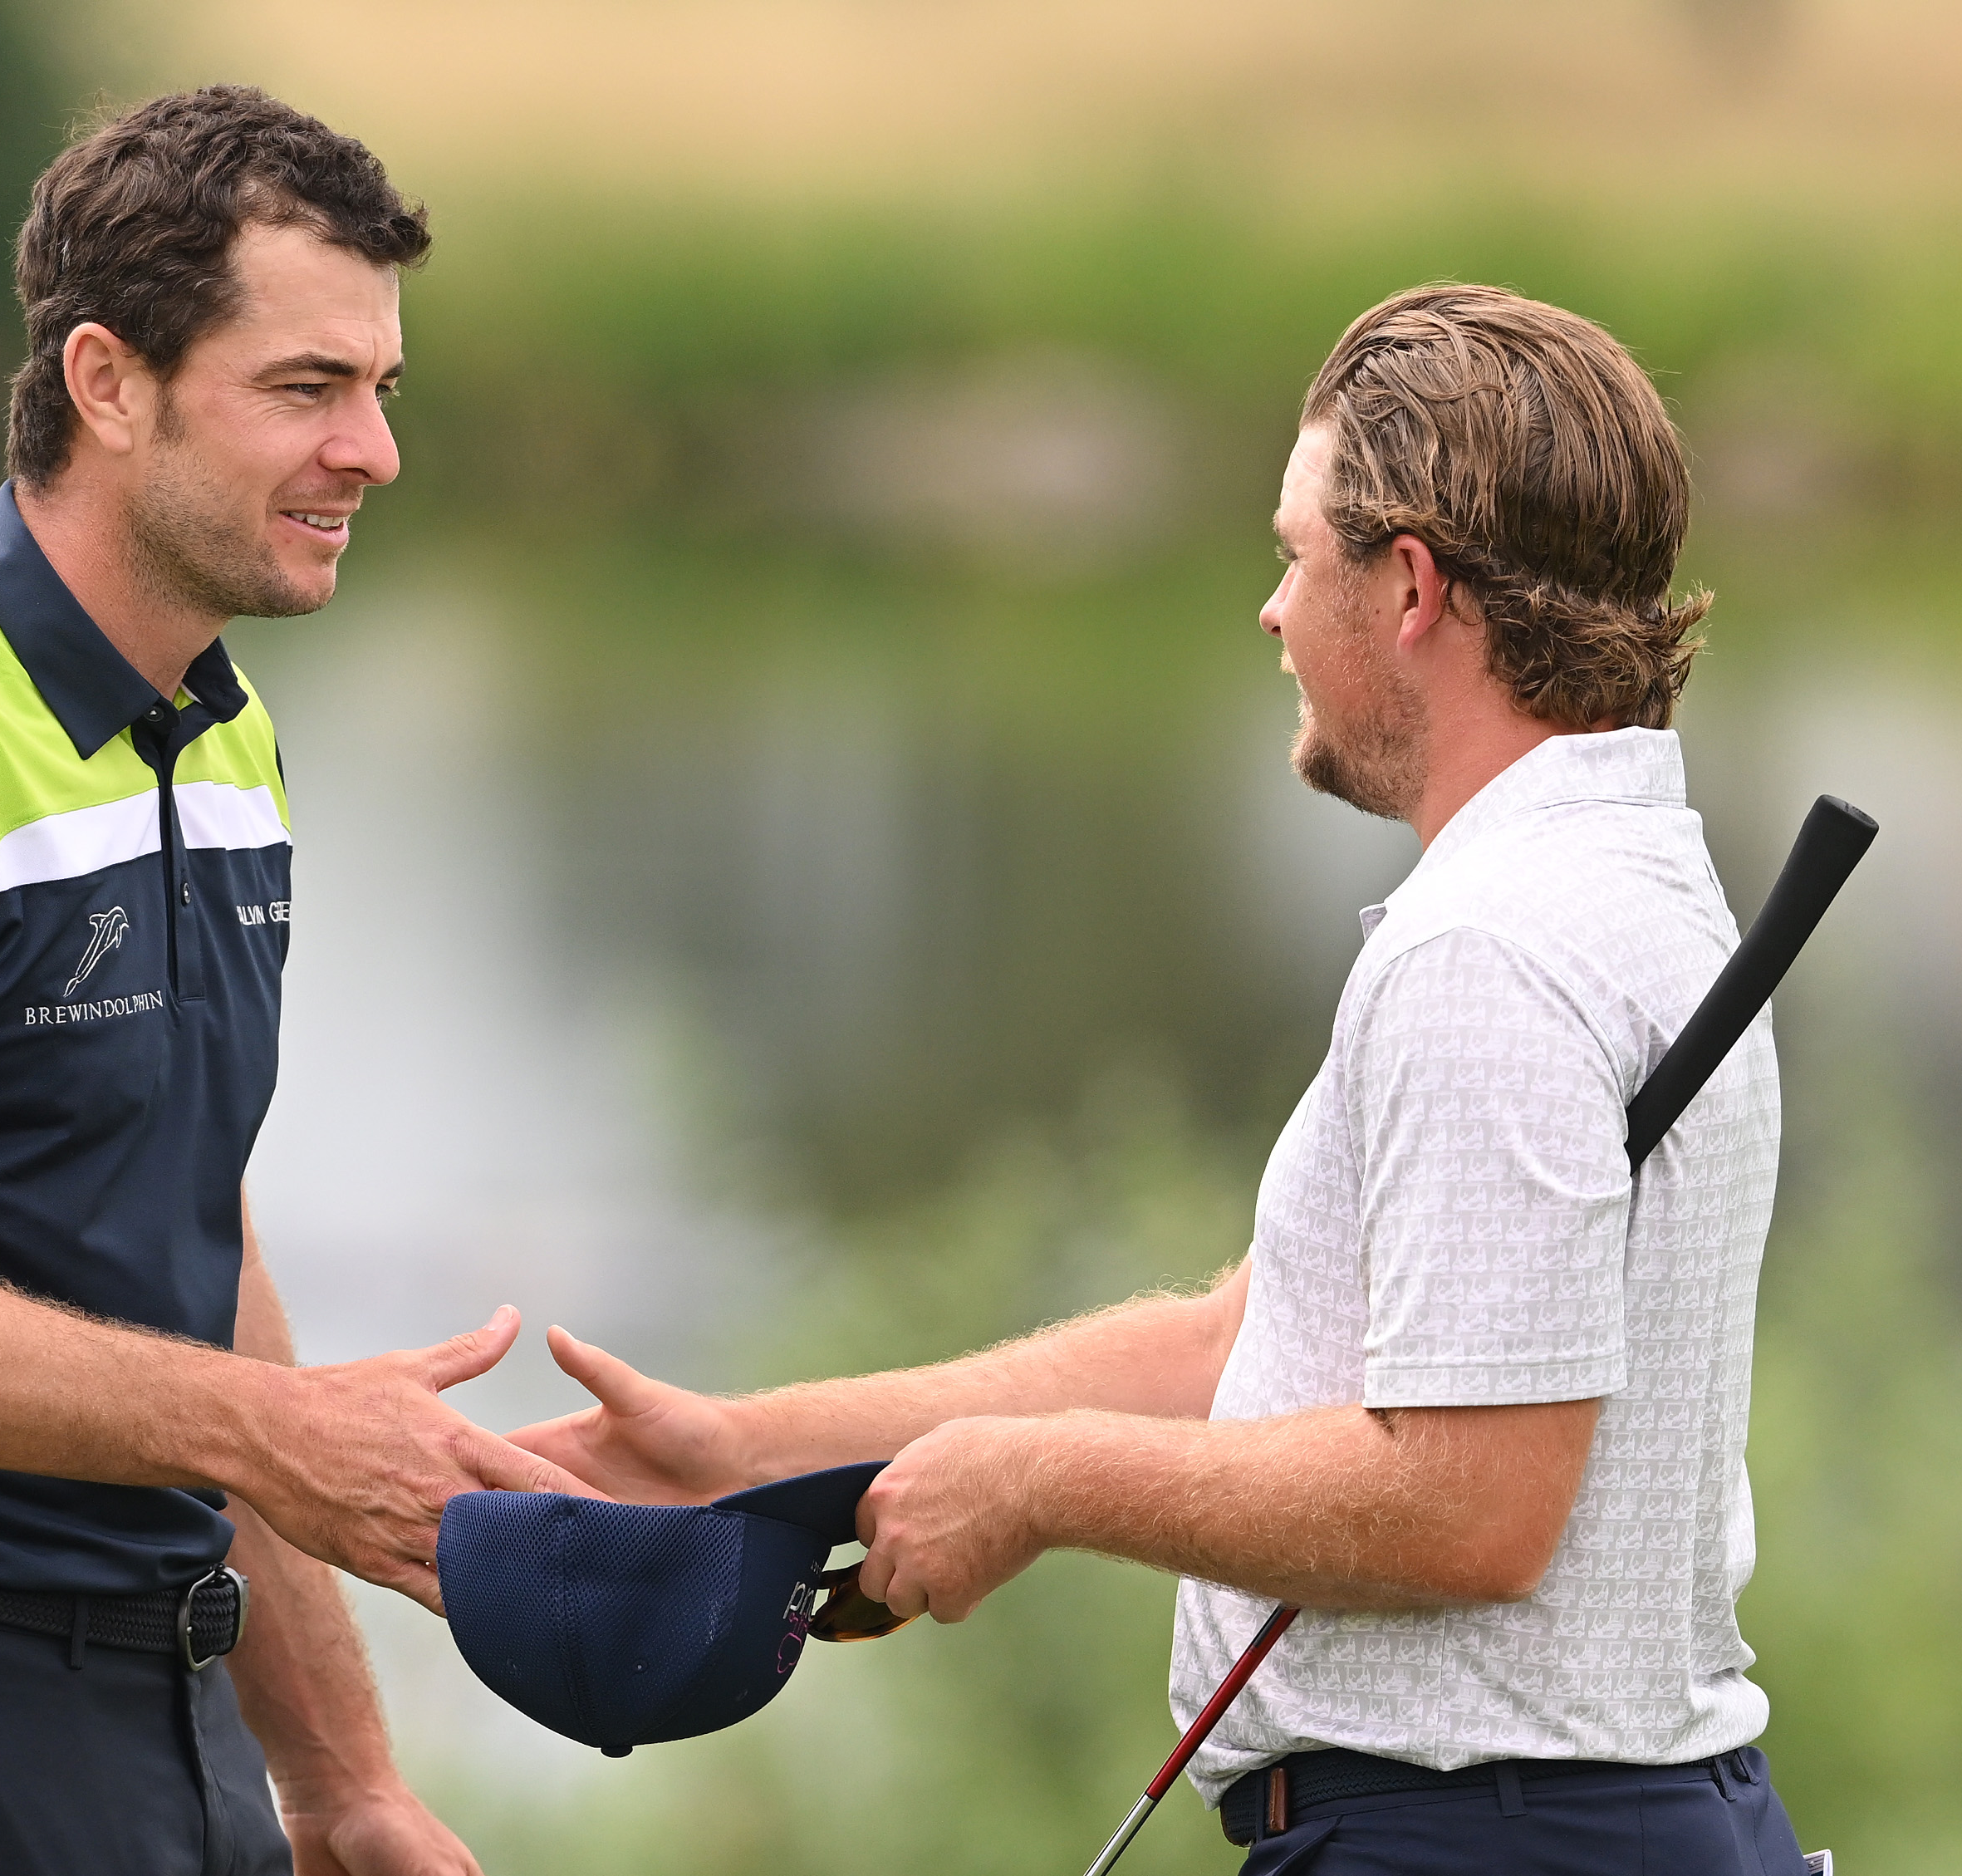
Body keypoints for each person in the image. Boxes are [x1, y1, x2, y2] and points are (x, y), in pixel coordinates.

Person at [512, 284, 1813, 1874]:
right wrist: (749, 1447)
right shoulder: (1633, 883)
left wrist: (1042, 1483)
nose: (1272, 610)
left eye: (1294, 552)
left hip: (1488, 1844)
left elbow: (1471, 1505)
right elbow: (1241, 1343)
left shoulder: (1491, 951)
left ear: (1408, 587)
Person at [0, 86, 590, 1876]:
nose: (372, 450)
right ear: (105, 382)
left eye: (382, 389)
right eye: (305, 390)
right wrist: (273, 1435)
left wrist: (341, 1779)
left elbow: (189, 1255)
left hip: (162, 1715)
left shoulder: (220, 742)